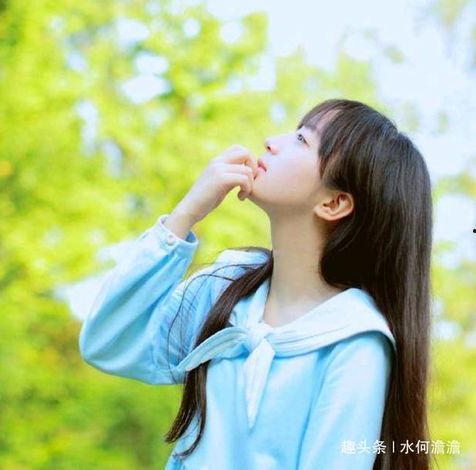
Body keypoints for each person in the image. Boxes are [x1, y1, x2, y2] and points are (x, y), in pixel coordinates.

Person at [78, 98, 434, 470]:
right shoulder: (229, 289)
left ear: (334, 203)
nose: (271, 142)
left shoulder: (354, 345)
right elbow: (107, 341)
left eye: (302, 139)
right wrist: (185, 215)